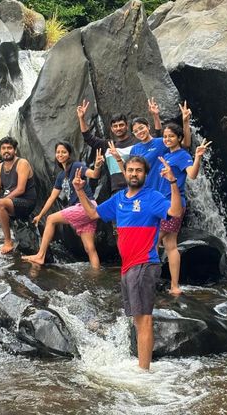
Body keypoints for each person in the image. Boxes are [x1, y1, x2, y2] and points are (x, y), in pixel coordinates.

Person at [72, 155, 182, 370]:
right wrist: (79, 191)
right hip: (128, 266)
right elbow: (93, 213)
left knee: (144, 319)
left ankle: (144, 372)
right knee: (137, 319)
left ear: (145, 174)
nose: (133, 174)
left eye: (138, 170)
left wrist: (172, 182)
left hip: (145, 263)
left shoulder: (152, 197)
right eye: (130, 170)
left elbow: (175, 212)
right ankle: (142, 367)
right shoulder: (119, 198)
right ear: (125, 173)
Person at [22, 141, 104, 268]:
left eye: (64, 152)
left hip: (85, 206)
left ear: (69, 154)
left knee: (51, 219)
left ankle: (40, 256)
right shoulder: (61, 176)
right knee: (89, 248)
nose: (60, 154)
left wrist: (97, 166)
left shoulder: (77, 166)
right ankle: (96, 274)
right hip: (87, 211)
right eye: (58, 152)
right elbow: (52, 197)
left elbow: (94, 174)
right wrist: (40, 215)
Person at [158, 123, 212, 295]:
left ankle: (145, 280)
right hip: (163, 203)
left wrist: (197, 157)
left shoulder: (182, 155)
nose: (167, 139)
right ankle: (174, 286)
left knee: (150, 240)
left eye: (171, 136)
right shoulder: (167, 155)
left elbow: (192, 174)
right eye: (165, 136)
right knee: (171, 245)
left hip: (172, 205)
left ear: (179, 138)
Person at [77, 99, 162, 194]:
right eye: (115, 126)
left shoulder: (137, 141)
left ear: (126, 126)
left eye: (121, 125)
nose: (118, 128)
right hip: (116, 189)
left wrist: (155, 116)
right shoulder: (108, 145)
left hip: (137, 186)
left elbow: (157, 139)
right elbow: (89, 138)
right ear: (112, 129)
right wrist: (81, 118)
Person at [110, 99, 192, 191]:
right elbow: (128, 172)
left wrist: (185, 122)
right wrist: (118, 159)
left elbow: (186, 144)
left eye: (141, 128)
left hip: (165, 190)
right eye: (136, 131)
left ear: (148, 126)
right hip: (146, 191)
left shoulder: (161, 142)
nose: (139, 132)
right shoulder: (135, 149)